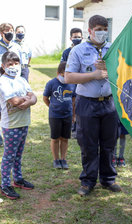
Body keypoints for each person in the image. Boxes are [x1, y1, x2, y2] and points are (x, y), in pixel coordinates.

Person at [65, 15, 121, 196]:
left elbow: (121, 74)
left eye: (105, 29)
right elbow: (69, 77)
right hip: (87, 103)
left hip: (109, 103)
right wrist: (94, 75)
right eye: (98, 29)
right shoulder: (79, 50)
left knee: (109, 143)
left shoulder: (112, 48)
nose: (102, 32)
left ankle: (108, 179)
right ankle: (88, 181)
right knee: (88, 144)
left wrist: (109, 69)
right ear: (89, 30)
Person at [0, 51, 37, 200]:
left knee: (18, 154)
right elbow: (14, 101)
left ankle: (18, 179)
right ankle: (4, 184)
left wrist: (28, 101)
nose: (13, 67)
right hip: (11, 125)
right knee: (9, 156)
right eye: (10, 64)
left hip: (24, 122)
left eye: (16, 63)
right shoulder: (3, 81)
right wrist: (25, 99)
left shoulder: (21, 79)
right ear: (3, 66)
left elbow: (33, 96)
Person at [43, 61, 76, 169]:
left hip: (68, 115)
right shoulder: (51, 83)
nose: (65, 77)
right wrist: (52, 108)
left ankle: (63, 159)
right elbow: (45, 98)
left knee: (65, 138)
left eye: (67, 74)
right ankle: (56, 159)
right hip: (55, 116)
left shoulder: (72, 83)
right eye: (63, 74)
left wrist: (73, 115)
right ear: (58, 73)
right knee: (55, 138)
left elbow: (73, 100)